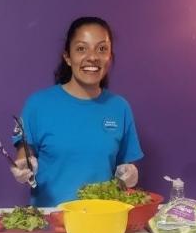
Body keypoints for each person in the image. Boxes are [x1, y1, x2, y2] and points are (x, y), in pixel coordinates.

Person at [10, 16, 144, 207]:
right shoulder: (38, 105)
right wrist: (24, 166)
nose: (92, 57)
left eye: (102, 49)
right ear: (68, 57)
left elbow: (126, 165)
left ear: (110, 57)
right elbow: (24, 155)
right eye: (81, 48)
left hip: (102, 219)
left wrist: (129, 174)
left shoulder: (119, 107)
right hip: (52, 221)